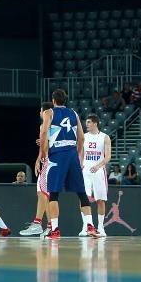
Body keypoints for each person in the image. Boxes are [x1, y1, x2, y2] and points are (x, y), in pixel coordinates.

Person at [39, 89, 92, 239]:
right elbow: (81, 138)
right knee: (81, 192)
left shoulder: (49, 112)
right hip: (72, 153)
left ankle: (55, 229)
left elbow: (44, 134)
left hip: (57, 154)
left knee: (54, 193)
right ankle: (90, 226)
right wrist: (77, 154)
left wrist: (44, 153)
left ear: (53, 100)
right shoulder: (74, 113)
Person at [20, 102, 54, 237]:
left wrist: (45, 144)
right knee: (44, 194)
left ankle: (37, 223)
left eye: (41, 111)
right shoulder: (47, 126)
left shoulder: (48, 126)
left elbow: (54, 145)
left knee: (43, 194)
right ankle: (51, 226)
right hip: (48, 160)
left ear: (45, 112)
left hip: (50, 161)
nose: (40, 113)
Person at [81, 114, 111, 237]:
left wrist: (98, 166)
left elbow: (108, 156)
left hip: (99, 170)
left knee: (100, 199)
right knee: (84, 198)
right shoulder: (83, 136)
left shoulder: (105, 137)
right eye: (86, 122)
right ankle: (86, 226)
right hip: (86, 170)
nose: (86, 124)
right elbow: (81, 154)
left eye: (88, 122)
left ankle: (100, 227)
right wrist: (80, 166)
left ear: (95, 123)